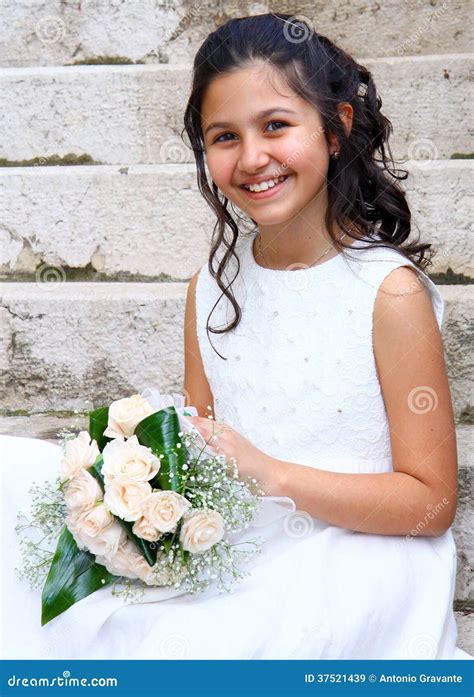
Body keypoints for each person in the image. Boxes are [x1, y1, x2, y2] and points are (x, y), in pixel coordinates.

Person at [1, 13, 471, 660]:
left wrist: (271, 473)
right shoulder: (211, 289)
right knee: (13, 476)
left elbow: (432, 499)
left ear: (336, 130)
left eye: (276, 125)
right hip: (235, 542)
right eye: (225, 136)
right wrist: (136, 499)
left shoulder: (388, 295)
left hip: (350, 551)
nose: (252, 158)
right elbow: (205, 449)